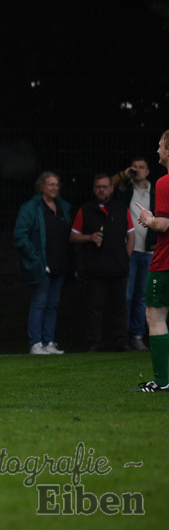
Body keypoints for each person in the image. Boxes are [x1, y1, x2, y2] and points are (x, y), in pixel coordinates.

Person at [71, 173, 134, 352]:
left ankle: (121, 342)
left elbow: (131, 236)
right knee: (94, 308)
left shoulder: (122, 209)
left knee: (120, 307)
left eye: (105, 186)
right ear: (93, 189)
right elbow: (73, 236)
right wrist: (89, 237)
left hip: (118, 268)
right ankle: (94, 343)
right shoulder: (85, 210)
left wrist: (125, 258)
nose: (101, 190)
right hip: (95, 269)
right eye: (98, 187)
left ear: (111, 189)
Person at [13, 172, 73, 355]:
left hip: (59, 263)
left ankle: (48, 342)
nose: (54, 188)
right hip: (41, 265)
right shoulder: (30, 207)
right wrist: (36, 257)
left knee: (53, 304)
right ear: (41, 187)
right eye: (50, 184)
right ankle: (36, 343)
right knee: (39, 303)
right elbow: (20, 236)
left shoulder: (63, 207)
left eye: (57, 184)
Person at [134, 129, 169, 391]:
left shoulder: (164, 183)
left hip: (165, 262)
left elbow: (164, 224)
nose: (157, 150)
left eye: (160, 146)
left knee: (155, 317)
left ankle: (162, 381)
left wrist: (148, 220)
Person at [114, 156, 158, 351]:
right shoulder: (125, 189)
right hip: (130, 251)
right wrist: (126, 173)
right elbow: (109, 183)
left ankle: (137, 336)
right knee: (127, 296)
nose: (138, 170)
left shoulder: (156, 192)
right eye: (135, 167)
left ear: (148, 171)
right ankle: (122, 338)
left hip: (149, 251)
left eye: (141, 167)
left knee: (142, 297)